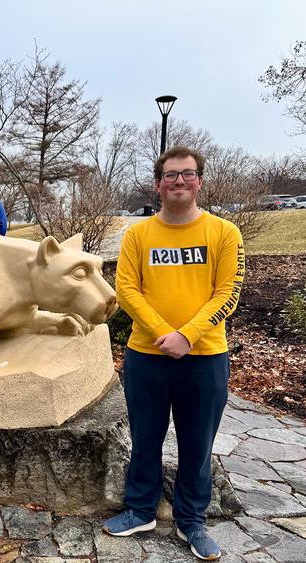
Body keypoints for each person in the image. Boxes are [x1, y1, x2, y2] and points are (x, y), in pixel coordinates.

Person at [103, 147, 245, 561]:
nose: (178, 182)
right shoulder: (139, 234)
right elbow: (127, 289)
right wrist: (165, 333)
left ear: (200, 180)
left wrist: (189, 335)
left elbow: (228, 292)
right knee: (145, 438)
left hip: (205, 358)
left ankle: (191, 521)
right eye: (170, 175)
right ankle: (141, 509)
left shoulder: (224, 232)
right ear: (158, 183)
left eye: (186, 174)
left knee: (197, 444)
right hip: (147, 357)